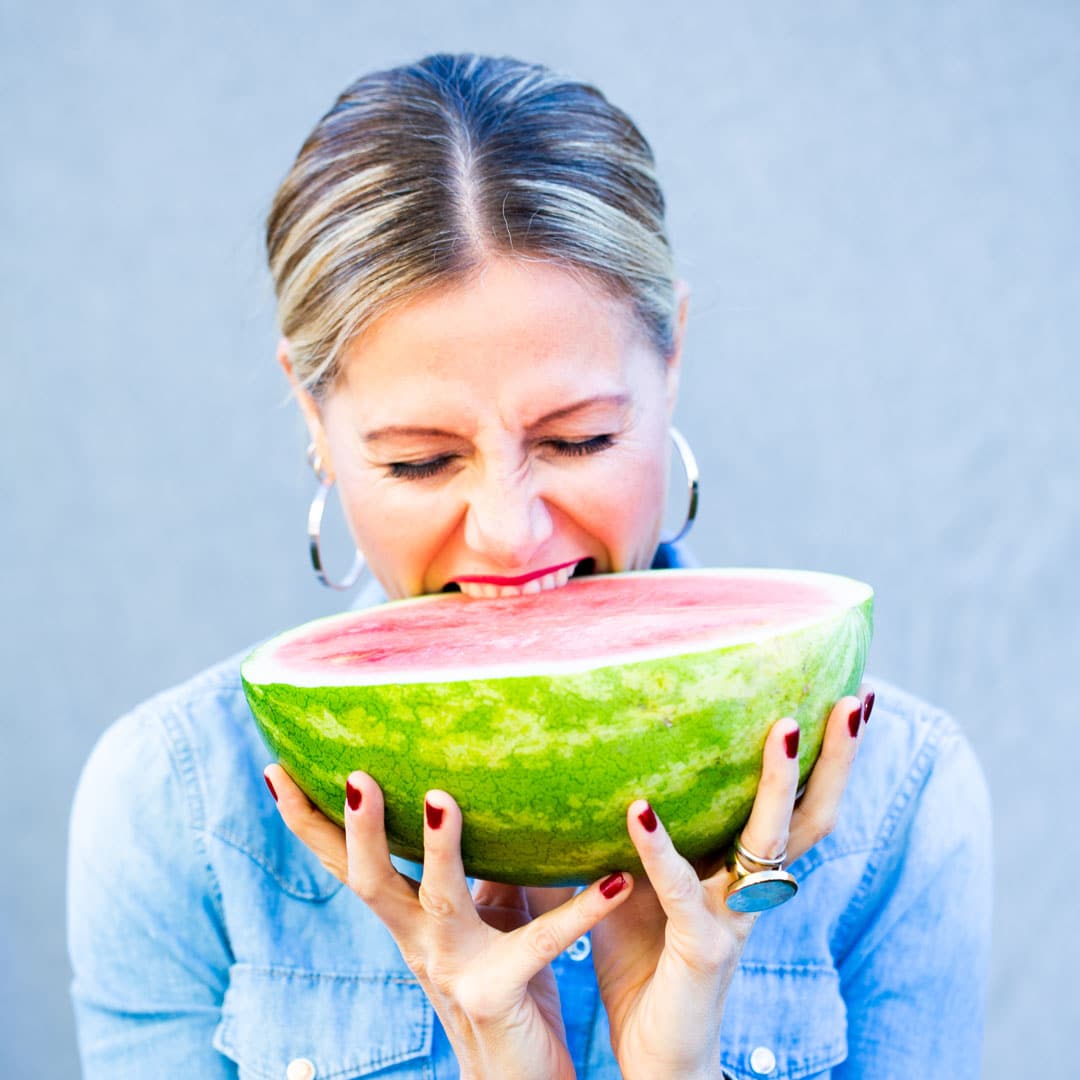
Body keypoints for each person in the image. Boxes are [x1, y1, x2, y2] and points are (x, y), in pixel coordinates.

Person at [67, 53, 991, 1079]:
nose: (508, 533)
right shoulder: (176, 807)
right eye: (419, 459)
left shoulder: (898, 799)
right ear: (313, 417)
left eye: (579, 439)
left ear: (672, 357)